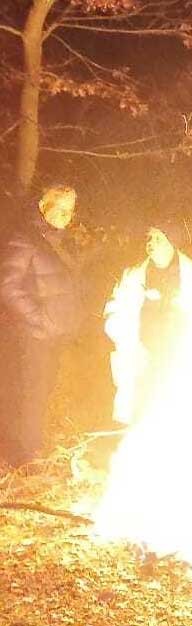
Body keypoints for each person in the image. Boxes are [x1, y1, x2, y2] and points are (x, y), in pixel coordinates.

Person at [103, 221, 192, 425]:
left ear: (173, 242)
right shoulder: (133, 276)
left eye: (158, 238)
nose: (151, 244)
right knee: (142, 411)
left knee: (176, 411)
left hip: (179, 357)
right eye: (150, 238)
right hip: (143, 355)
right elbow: (115, 307)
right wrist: (118, 328)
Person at [0, 185, 81, 465]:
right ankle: (26, 459)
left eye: (69, 210)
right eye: (59, 208)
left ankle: (29, 449)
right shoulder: (26, 239)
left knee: (41, 392)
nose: (64, 215)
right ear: (43, 207)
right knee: (29, 395)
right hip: (33, 336)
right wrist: (40, 319)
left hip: (55, 335)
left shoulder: (58, 241)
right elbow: (7, 286)